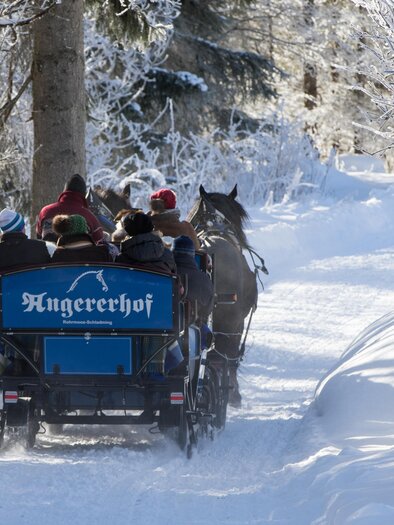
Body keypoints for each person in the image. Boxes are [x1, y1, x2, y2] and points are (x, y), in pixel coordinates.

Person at [36, 174, 103, 243]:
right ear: (84, 194)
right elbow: (100, 243)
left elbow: (38, 236)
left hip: (48, 252)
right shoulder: (89, 217)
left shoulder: (45, 211)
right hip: (80, 253)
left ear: (64, 191)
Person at [172, 235, 213, 322]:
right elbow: (207, 311)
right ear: (192, 255)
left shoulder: (166, 275)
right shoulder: (205, 279)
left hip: (164, 325)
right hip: (192, 328)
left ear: (173, 252)